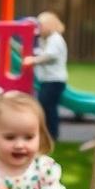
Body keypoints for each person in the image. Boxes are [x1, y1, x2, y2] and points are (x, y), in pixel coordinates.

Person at [22, 11, 68, 141]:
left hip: (53, 80)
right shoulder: (47, 39)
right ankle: (48, 134)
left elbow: (50, 56)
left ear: (49, 25)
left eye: (40, 26)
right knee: (45, 107)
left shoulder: (55, 39)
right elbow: (42, 52)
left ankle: (52, 135)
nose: (38, 29)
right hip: (49, 80)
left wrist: (33, 60)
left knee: (47, 107)